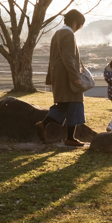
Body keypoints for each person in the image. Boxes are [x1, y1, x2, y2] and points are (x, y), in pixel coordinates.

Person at [36, 9, 88, 147]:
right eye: (80, 25)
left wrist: (50, 76)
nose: (80, 28)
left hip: (58, 75)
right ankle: (70, 138)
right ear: (75, 22)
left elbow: (52, 57)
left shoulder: (57, 33)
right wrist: (75, 77)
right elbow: (68, 58)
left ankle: (44, 124)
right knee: (76, 104)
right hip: (67, 76)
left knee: (64, 104)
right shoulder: (69, 34)